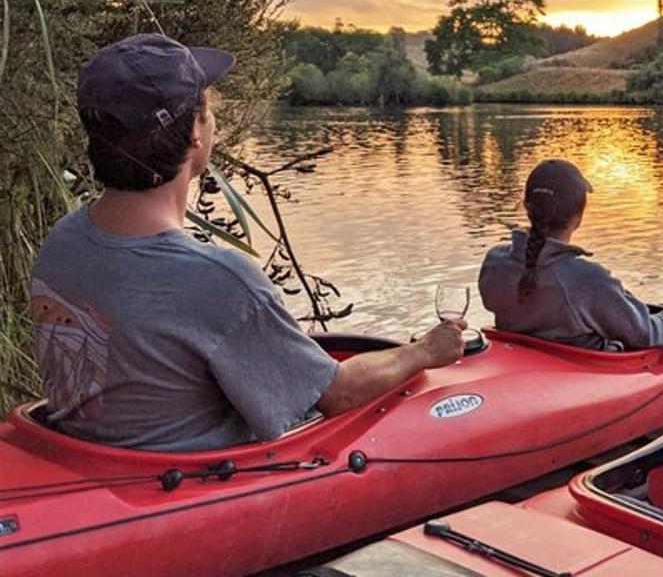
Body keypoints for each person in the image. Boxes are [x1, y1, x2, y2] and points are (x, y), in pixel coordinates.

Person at [27, 33, 463, 452]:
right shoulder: (217, 280)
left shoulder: (62, 242)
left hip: (89, 460)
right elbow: (335, 395)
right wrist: (425, 351)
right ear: (195, 135)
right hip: (185, 491)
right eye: (207, 111)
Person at [478, 159, 663, 350]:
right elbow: (645, 333)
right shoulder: (587, 279)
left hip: (526, 368)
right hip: (585, 377)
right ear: (579, 215)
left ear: (526, 207)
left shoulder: (494, 261)